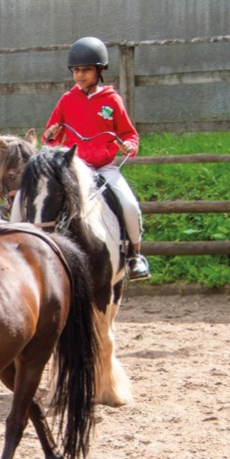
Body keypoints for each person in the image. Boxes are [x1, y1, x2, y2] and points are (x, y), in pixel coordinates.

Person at [42, 36, 150, 281]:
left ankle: (135, 255)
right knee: (41, 201)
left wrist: (129, 145)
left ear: (99, 71)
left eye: (86, 70)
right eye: (76, 70)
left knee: (130, 205)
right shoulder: (67, 100)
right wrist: (50, 135)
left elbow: (128, 133)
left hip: (104, 169)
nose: (80, 76)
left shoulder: (111, 100)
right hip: (73, 171)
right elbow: (50, 136)